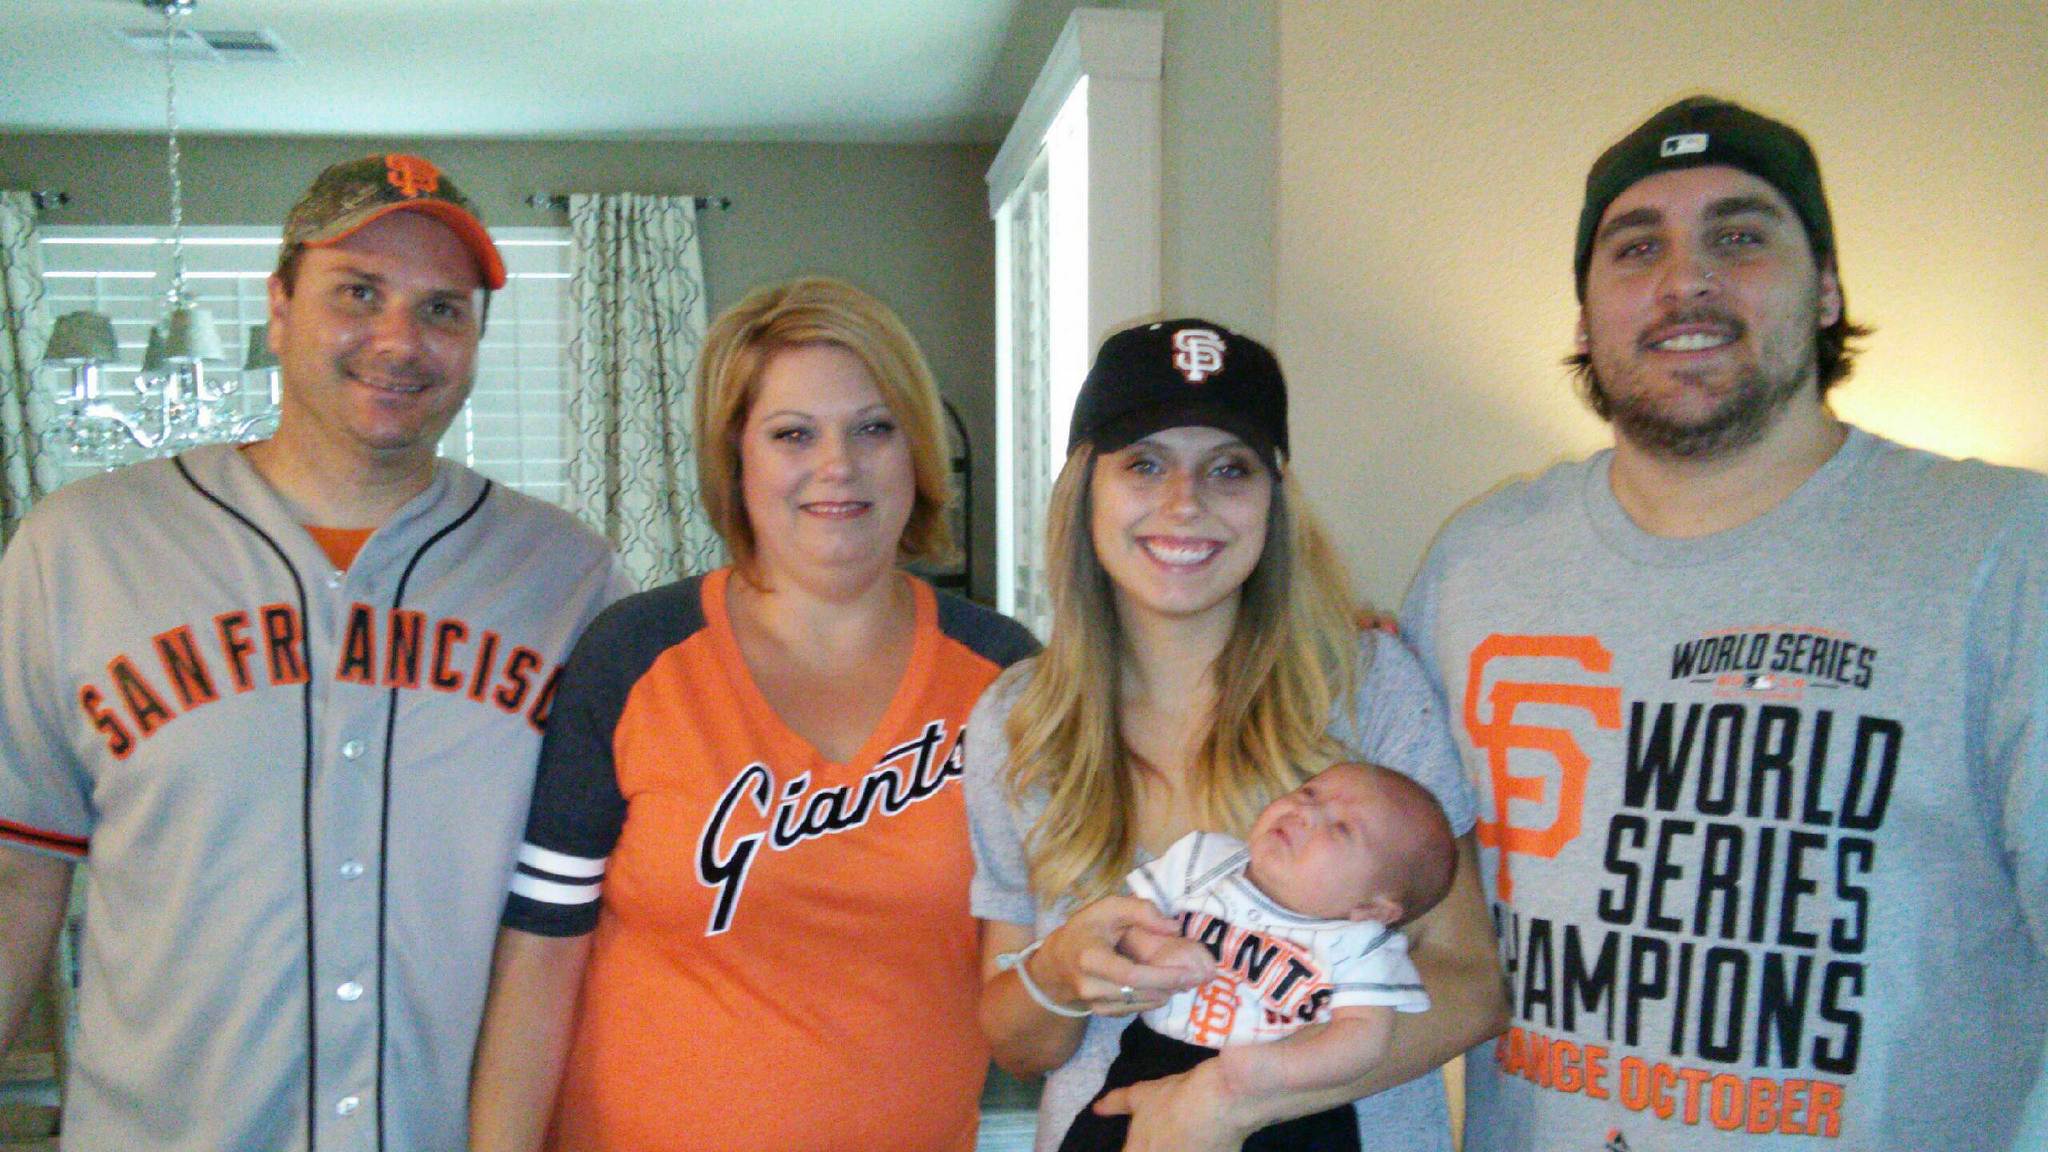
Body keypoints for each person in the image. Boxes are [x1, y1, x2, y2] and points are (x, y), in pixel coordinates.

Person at [1399, 96, 2048, 1151]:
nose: (1684, 279)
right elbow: (1386, 897)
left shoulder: (2003, 551)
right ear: (1582, 318)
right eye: (1635, 247)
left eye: (1739, 237)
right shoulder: (1475, 564)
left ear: (1826, 288)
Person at [0, 153, 628, 1150]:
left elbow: (607, 908)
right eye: (358, 293)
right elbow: (16, 875)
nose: (399, 341)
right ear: (279, 308)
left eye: (442, 309)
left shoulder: (568, 580)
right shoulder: (79, 549)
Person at [466, 276, 1038, 1152]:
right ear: (737, 458)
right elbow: (540, 959)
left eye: (875, 428)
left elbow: (1033, 996)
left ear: (917, 450)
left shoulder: (1007, 678)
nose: (837, 466)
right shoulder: (634, 656)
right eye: (792, 434)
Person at [968, 318, 1508, 1152]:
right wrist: (1058, 974)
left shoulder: (1367, 684)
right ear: (1087, 490)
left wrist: (1231, 1097)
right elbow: (1018, 1046)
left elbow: (1471, 985)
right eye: (1145, 464)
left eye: (1229, 468)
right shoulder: (1018, 720)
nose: (1186, 503)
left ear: (1274, 501)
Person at [1059, 761, 1461, 1152]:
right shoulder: (1203, 862)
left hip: (1287, 1101)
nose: (1305, 812)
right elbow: (1123, 926)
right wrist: (1155, 948)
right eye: (1309, 792)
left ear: (1372, 909)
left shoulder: (1359, 945)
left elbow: (1364, 1038)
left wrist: (1282, 1069)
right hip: (1153, 1059)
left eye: (1341, 828)